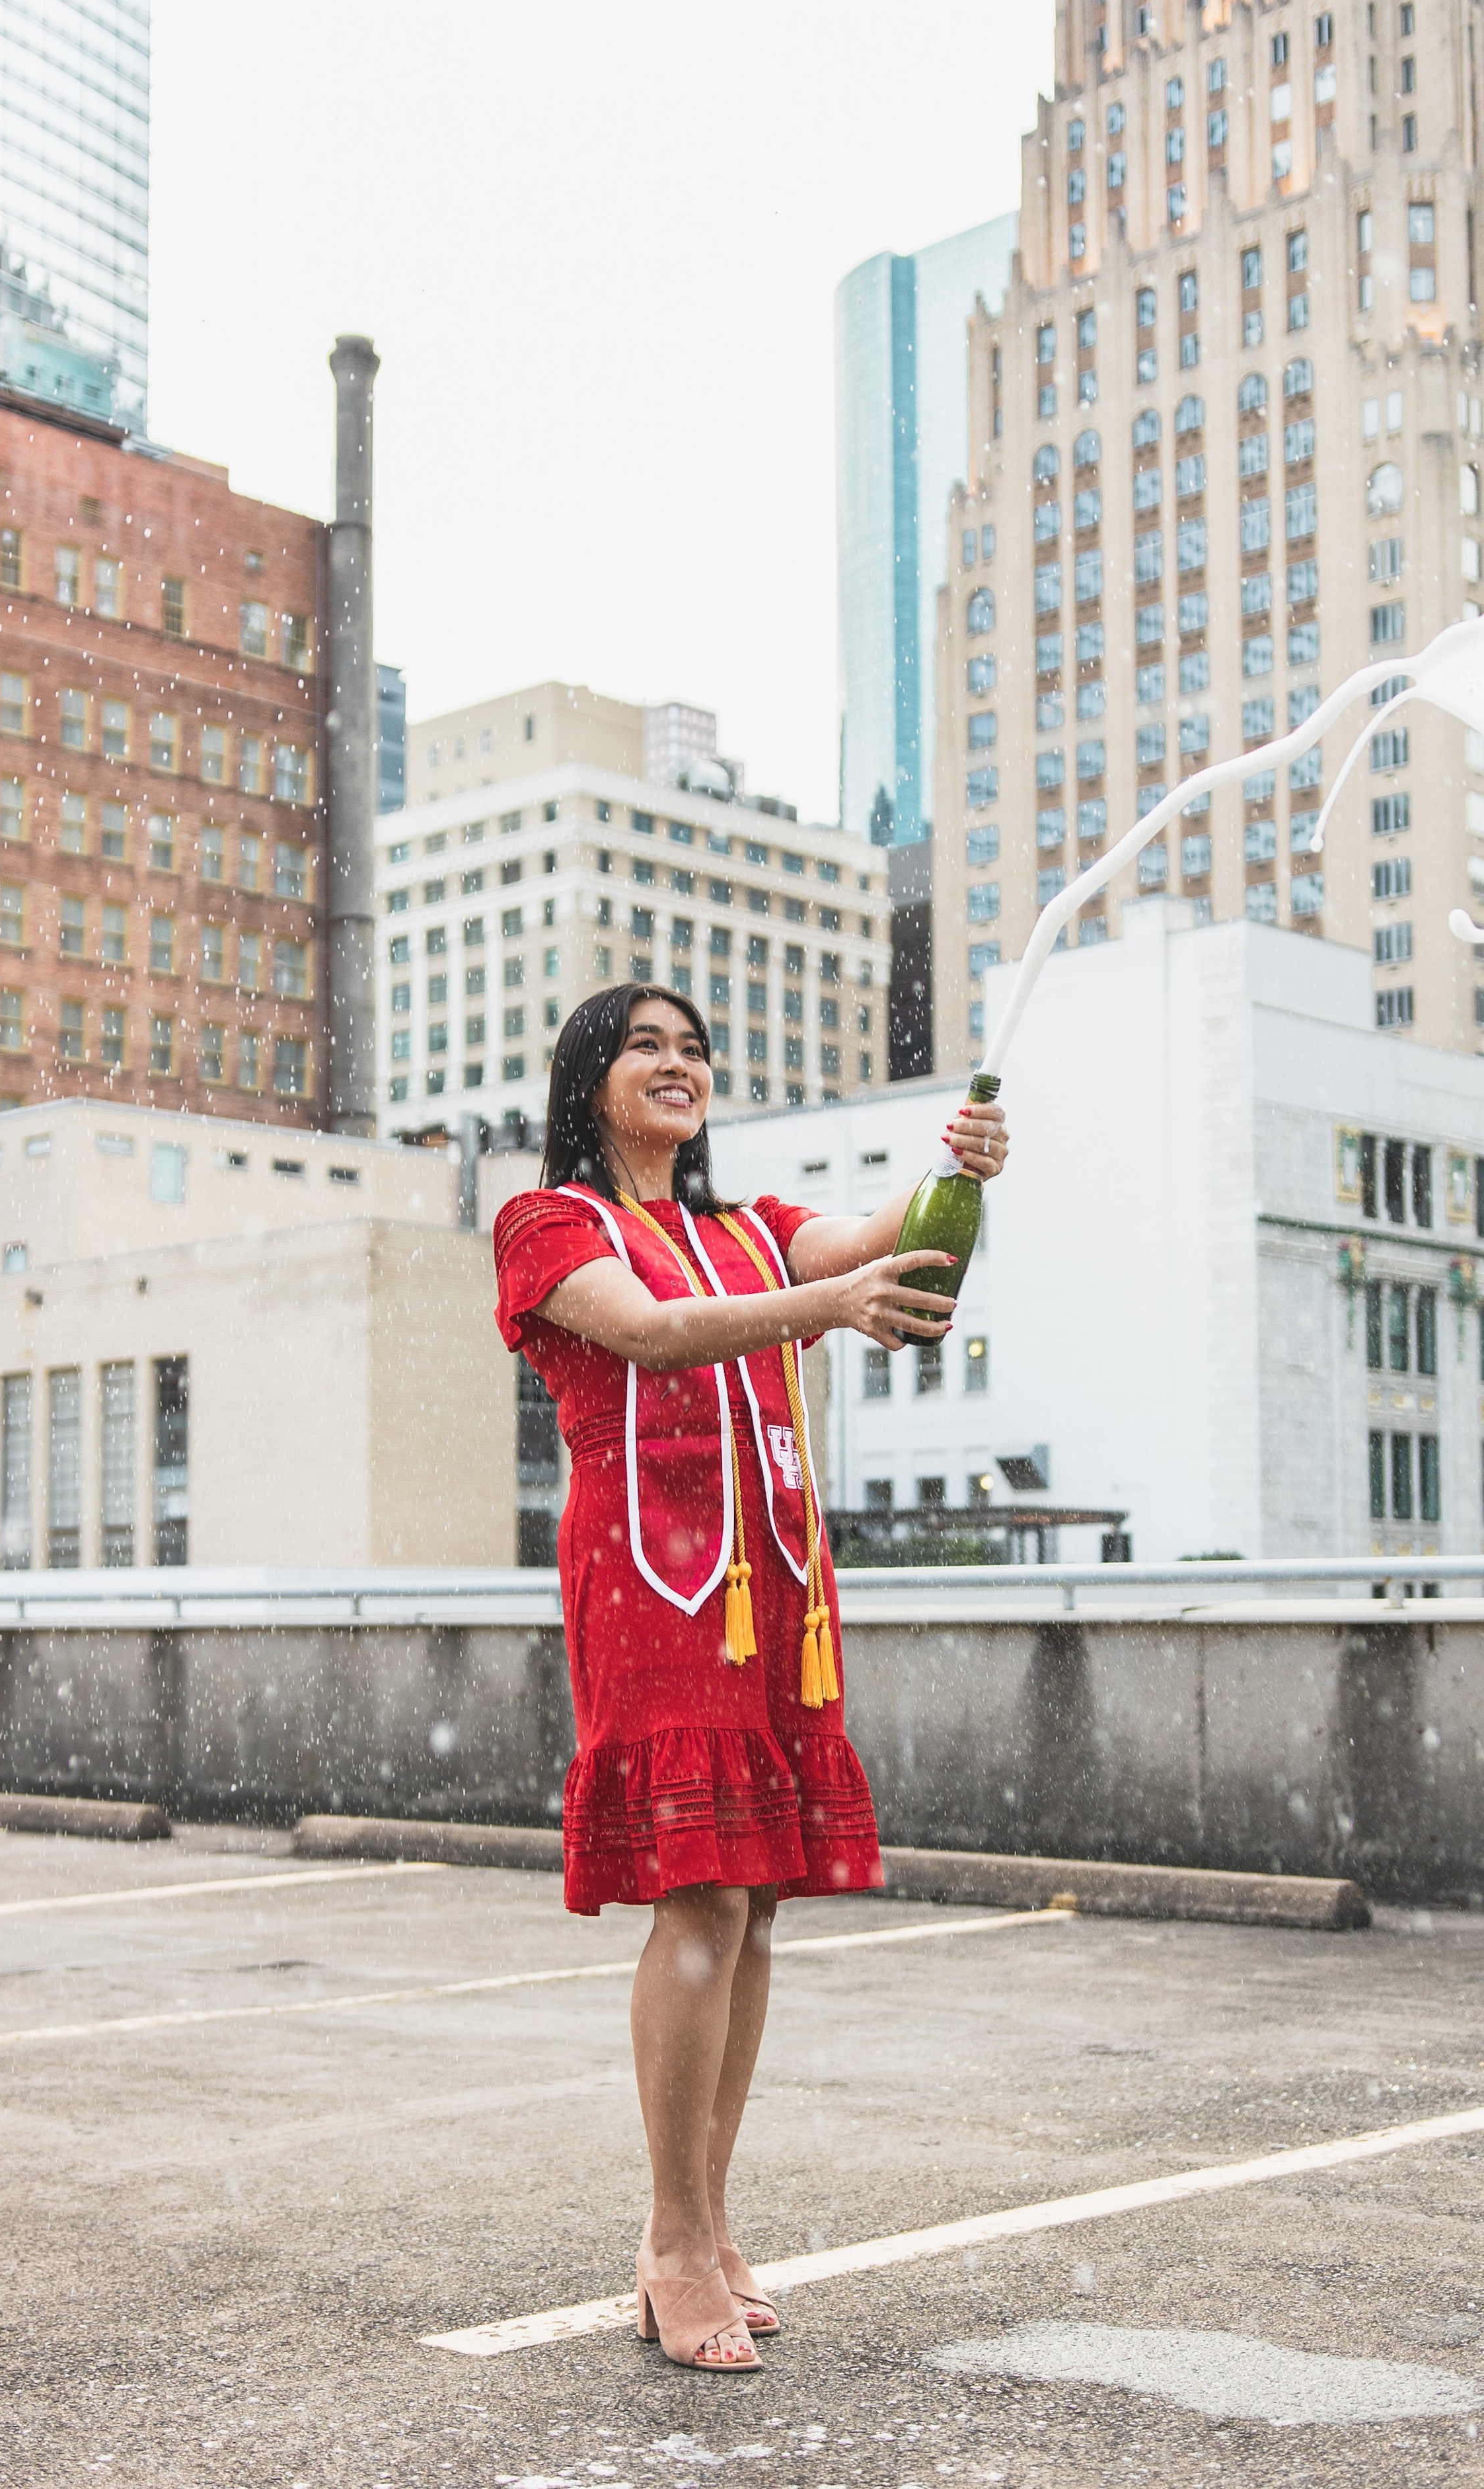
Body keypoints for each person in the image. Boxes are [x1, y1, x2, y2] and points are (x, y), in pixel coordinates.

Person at [492, 984, 1010, 2370]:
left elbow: (884, 1238)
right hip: (655, 1585)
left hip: (776, 1588)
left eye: (693, 1049)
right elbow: (647, 1334)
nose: (678, 1065)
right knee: (701, 1895)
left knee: (758, 1903)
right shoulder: (548, 1225)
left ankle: (711, 2223)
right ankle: (668, 2242)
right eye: (644, 1047)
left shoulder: (746, 1228)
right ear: (586, 1082)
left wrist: (950, 1172)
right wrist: (828, 1306)